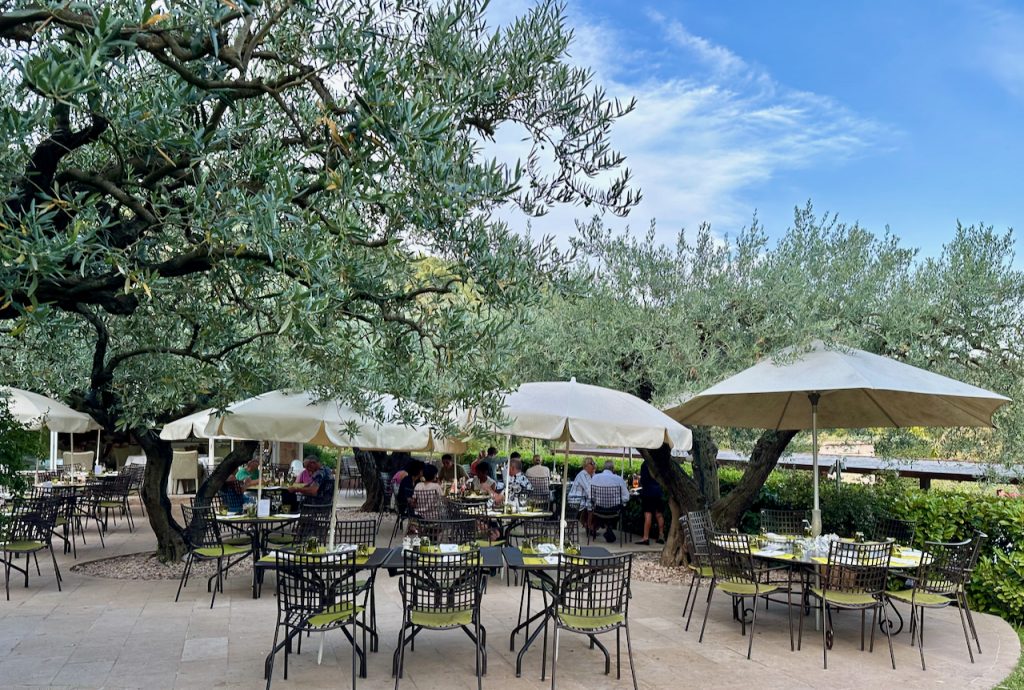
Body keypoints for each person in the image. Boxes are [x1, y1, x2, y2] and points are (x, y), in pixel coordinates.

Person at [590, 459, 630, 543]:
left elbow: (591, 497)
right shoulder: (619, 479)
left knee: (601, 510)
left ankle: (607, 528)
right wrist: (618, 500)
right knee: (622, 509)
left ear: (603, 468)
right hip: (614, 511)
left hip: (598, 510)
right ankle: (609, 528)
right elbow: (626, 497)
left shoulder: (595, 477)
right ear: (613, 469)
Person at [637, 458, 665, 545]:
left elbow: (643, 481)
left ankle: (646, 537)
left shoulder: (645, 464)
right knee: (659, 514)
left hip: (648, 492)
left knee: (648, 515)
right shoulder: (658, 463)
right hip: (658, 491)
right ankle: (661, 535)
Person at [568, 457, 597, 531]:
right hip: (575, 499)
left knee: (593, 504)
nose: (594, 465)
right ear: (586, 465)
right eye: (592, 463)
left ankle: (589, 525)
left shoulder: (592, 474)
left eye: (594, 463)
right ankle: (589, 526)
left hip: (583, 498)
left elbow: (595, 487)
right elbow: (588, 489)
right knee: (591, 505)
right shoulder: (583, 474)